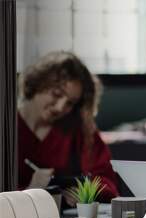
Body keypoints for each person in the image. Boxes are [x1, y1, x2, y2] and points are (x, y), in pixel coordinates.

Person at [18, 51, 119, 203]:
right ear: (37, 82)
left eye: (70, 103)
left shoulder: (79, 129)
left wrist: (84, 192)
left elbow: (106, 180)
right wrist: (28, 191)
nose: (60, 107)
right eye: (56, 94)